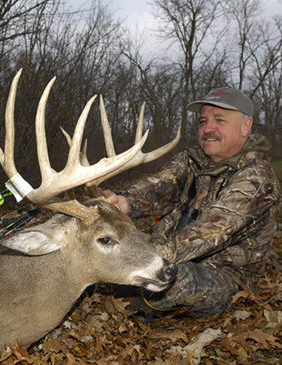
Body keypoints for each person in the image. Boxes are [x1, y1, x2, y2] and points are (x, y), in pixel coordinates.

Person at [101, 87, 280, 319]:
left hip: (224, 277)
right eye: (203, 121)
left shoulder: (257, 180)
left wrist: (135, 258)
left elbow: (209, 232)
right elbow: (160, 187)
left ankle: (128, 301)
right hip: (167, 253)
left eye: (220, 120)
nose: (208, 128)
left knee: (175, 282)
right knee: (106, 244)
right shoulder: (192, 160)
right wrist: (124, 202)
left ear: (246, 126)